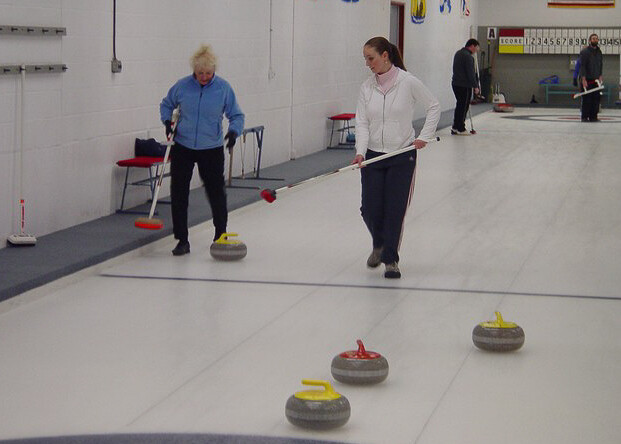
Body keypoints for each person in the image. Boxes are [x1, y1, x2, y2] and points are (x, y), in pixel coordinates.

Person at [352, 36, 440, 279]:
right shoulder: (366, 87)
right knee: (369, 209)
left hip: (401, 155)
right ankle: (380, 244)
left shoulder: (407, 81)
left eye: (370, 58)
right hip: (373, 156)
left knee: (394, 210)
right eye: (365, 59)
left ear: (385, 56)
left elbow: (433, 105)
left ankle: (390, 259)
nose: (367, 64)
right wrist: (360, 151)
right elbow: (361, 122)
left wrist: (424, 136)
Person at [160, 44, 244, 256]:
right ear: (194, 71)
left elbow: (237, 115)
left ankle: (220, 235)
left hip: (211, 148)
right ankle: (182, 240)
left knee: (216, 192)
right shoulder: (182, 86)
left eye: (208, 73)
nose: (204, 77)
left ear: (214, 70)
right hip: (183, 145)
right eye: (200, 73)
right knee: (179, 193)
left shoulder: (223, 88)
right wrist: (167, 121)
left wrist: (233, 132)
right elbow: (166, 104)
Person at [451, 38, 480, 135]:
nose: (477, 50)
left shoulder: (458, 53)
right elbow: (470, 73)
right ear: (472, 46)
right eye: (476, 47)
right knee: (463, 107)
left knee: (460, 105)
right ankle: (460, 128)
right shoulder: (468, 57)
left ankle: (455, 127)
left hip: (456, 83)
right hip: (464, 85)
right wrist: (475, 86)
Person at [579, 34, 603, 122]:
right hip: (587, 79)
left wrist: (600, 75)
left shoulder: (599, 52)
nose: (595, 40)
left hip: (596, 80)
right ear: (590, 40)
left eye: (596, 39)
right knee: (587, 99)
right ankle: (584, 117)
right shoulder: (585, 52)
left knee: (596, 99)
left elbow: (601, 64)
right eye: (593, 38)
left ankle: (593, 117)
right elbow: (582, 66)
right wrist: (583, 79)